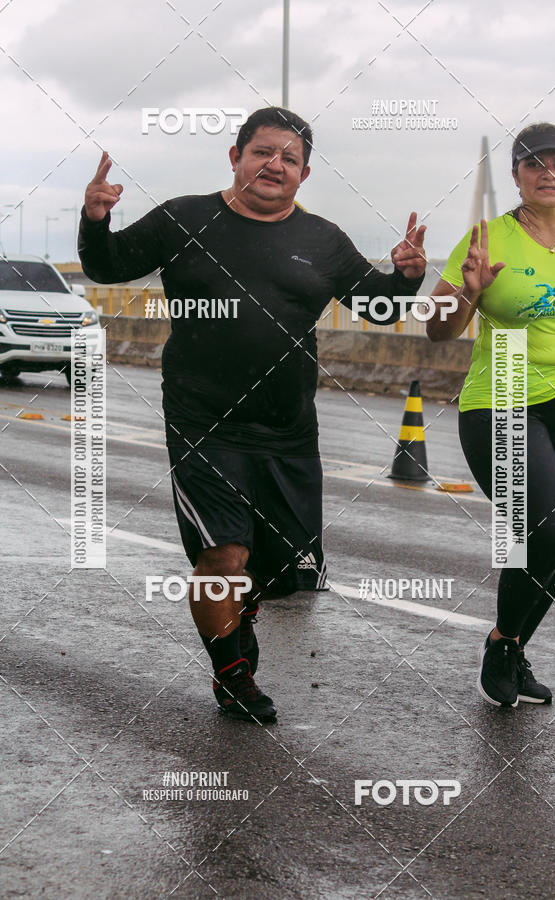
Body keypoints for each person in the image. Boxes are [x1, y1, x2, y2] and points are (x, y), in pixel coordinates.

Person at [78, 106, 427, 722]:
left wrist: (405, 279)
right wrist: (96, 220)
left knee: (285, 568)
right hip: (203, 420)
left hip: (288, 426)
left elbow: (375, 308)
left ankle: (245, 613)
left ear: (305, 174)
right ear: (235, 157)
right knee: (223, 556)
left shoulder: (322, 239)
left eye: (289, 159)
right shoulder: (186, 218)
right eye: (263, 152)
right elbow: (107, 267)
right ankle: (232, 671)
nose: (275, 165)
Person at [427, 122, 555, 708]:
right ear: (518, 175)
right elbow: (438, 329)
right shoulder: (486, 238)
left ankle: (513, 646)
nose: (549, 174)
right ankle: (502, 642)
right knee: (545, 527)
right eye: (535, 164)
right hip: (501, 393)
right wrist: (468, 294)